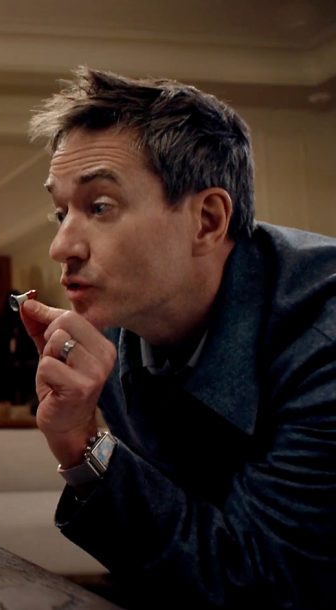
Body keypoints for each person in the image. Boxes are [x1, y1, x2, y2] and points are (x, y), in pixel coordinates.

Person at [20, 67, 336, 609]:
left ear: (207, 220)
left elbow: (267, 585)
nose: (61, 247)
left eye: (99, 207)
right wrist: (77, 441)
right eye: (61, 212)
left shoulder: (323, 338)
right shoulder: (116, 327)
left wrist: (87, 452)